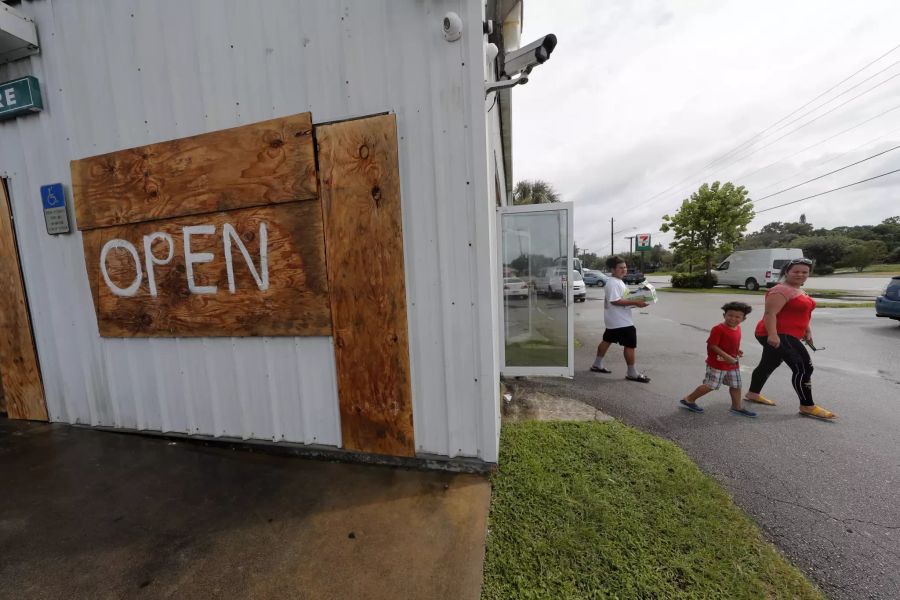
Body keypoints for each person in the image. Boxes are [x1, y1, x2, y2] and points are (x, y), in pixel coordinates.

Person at [744, 257, 836, 420]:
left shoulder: (798, 290)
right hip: (778, 333)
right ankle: (807, 405)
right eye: (796, 271)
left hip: (789, 334)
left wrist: (807, 330)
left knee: (768, 364)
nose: (800, 274)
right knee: (803, 368)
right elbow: (770, 314)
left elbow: (800, 313)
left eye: (804, 272)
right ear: (787, 272)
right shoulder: (781, 290)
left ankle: (753, 394)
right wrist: (773, 334)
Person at [679, 302, 756, 417]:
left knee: (736, 385)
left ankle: (736, 407)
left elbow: (730, 343)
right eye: (730, 315)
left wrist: (737, 351)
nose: (733, 319)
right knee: (711, 385)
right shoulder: (718, 329)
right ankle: (688, 399)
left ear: (743, 319)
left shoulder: (737, 328)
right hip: (717, 363)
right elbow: (712, 345)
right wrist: (727, 357)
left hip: (732, 363)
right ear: (724, 315)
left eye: (737, 317)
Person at [590, 256, 650, 382]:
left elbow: (624, 298)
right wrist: (636, 303)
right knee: (630, 345)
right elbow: (615, 301)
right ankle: (632, 373)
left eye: (625, 267)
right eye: (620, 268)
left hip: (614, 320)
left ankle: (597, 364)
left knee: (607, 340)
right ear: (613, 269)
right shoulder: (612, 283)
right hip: (621, 321)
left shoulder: (618, 281)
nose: (624, 270)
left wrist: (637, 300)